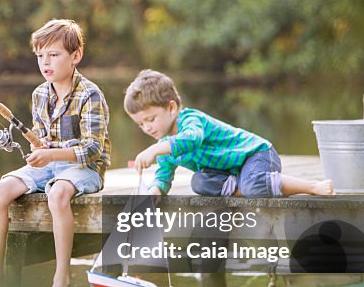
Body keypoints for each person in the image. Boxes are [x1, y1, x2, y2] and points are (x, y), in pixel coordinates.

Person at [0, 19, 111, 287]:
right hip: (50, 164)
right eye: (40, 56)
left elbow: (92, 148)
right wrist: (40, 150)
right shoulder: (39, 94)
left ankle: (61, 279)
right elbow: (43, 140)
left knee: (57, 194)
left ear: (76, 56)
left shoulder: (90, 95)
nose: (45, 63)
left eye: (54, 55)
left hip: (84, 167)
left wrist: (51, 153)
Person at [125, 69, 333, 197]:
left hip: (256, 154)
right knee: (199, 182)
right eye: (141, 124)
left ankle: (312, 186)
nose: (147, 128)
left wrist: (154, 149)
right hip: (232, 171)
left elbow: (191, 139)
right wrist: (153, 193)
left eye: (150, 119)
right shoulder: (166, 145)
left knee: (253, 183)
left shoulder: (190, 120)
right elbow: (163, 175)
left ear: (171, 108)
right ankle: (249, 186)